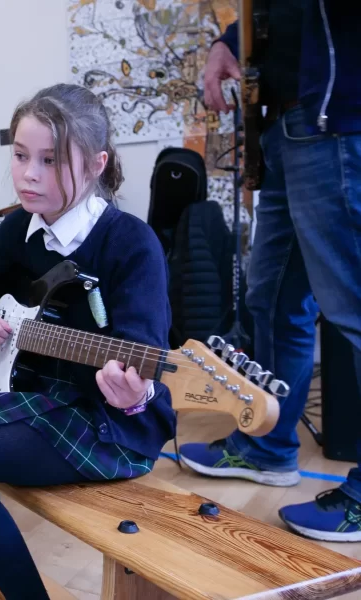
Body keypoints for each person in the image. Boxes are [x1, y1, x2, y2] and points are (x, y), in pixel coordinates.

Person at [0, 83, 176, 600]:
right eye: (20, 156)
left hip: (101, 420)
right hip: (25, 391)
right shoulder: (23, 223)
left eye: (50, 160)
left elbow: (141, 353)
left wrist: (134, 395)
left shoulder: (130, 242)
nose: (28, 173)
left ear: (95, 164)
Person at [180, 1, 361, 543]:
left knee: (353, 308)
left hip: (336, 123)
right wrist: (229, 41)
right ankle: (268, 447)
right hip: (289, 126)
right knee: (274, 299)